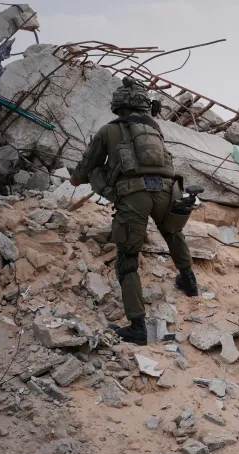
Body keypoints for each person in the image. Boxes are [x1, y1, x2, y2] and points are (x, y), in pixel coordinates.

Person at [69, 77, 198, 345]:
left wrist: (78, 179)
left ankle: (137, 327)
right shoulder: (155, 130)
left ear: (118, 107)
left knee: (128, 259)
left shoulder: (108, 130)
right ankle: (189, 282)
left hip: (134, 196)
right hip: (166, 190)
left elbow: (86, 167)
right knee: (173, 232)